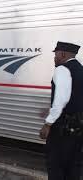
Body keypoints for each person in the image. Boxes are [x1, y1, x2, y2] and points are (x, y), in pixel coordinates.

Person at [40, 41, 83, 180]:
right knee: (74, 165)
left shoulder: (62, 69)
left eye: (56, 54)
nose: (54, 58)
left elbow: (61, 99)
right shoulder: (80, 69)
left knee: (56, 165)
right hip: (78, 128)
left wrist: (48, 124)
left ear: (63, 54)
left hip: (62, 129)